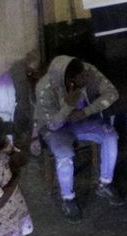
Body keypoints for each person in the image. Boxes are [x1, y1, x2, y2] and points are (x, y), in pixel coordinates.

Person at [32, 55, 122, 220]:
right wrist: (68, 107)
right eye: (80, 78)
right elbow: (52, 124)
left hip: (82, 120)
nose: (85, 78)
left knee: (110, 136)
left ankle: (105, 183)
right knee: (64, 154)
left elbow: (112, 93)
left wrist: (85, 112)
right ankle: (68, 198)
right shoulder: (44, 88)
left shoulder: (88, 70)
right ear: (69, 81)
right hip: (55, 128)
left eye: (84, 74)